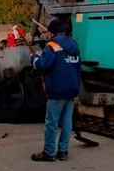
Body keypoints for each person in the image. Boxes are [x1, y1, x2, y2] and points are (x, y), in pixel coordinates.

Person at [30, 18, 82, 162]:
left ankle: (49, 152)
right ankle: (63, 152)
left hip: (57, 90)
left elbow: (43, 65)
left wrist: (33, 58)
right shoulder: (73, 44)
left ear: (51, 32)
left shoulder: (51, 46)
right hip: (72, 89)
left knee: (52, 123)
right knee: (66, 123)